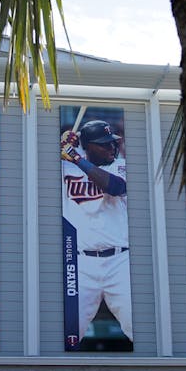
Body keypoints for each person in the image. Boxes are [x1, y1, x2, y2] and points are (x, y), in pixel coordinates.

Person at [61, 119, 132, 343]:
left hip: (119, 262)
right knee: (68, 333)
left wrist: (77, 158)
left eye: (113, 143)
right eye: (104, 144)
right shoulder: (66, 167)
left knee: (138, 326)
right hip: (81, 265)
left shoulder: (120, 165)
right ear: (87, 146)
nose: (112, 148)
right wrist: (59, 145)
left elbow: (115, 187)